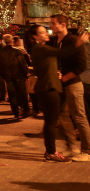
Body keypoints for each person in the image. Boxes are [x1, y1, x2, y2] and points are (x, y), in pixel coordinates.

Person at [26, 23, 90, 162]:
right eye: (42, 32)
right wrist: (79, 43)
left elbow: (45, 67)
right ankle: (51, 152)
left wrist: (56, 73)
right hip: (48, 88)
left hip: (50, 86)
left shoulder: (40, 48)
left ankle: (53, 151)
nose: (47, 33)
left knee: (54, 119)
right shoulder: (40, 48)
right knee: (51, 121)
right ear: (35, 37)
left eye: (46, 31)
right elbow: (62, 53)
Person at [49, 14, 90, 160]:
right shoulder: (54, 41)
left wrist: (65, 77)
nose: (51, 26)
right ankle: (72, 147)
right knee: (63, 115)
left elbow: (81, 65)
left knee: (79, 116)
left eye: (53, 24)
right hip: (60, 85)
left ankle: (87, 151)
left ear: (63, 25)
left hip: (73, 84)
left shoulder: (73, 41)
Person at [0, 33, 30, 120]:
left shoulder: (1, 52)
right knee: (22, 92)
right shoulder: (17, 51)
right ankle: (25, 109)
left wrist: (2, 75)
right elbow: (22, 64)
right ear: (12, 40)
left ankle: (16, 112)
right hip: (18, 75)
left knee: (12, 95)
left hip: (8, 76)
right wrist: (26, 73)